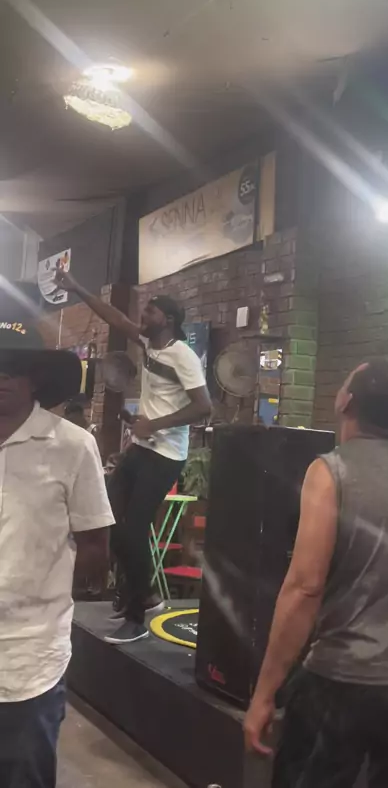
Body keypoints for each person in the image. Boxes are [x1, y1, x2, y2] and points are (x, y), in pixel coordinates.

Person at [244, 360, 388, 788]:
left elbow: (304, 587)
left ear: (345, 401)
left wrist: (264, 694)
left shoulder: (329, 471)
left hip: (342, 681)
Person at [55, 270, 212, 644]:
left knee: (134, 529)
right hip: (142, 449)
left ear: (168, 320)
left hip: (166, 455)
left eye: (151, 312)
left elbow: (204, 407)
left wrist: (153, 424)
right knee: (106, 520)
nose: (143, 316)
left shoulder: (183, 356)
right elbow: (113, 317)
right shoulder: (148, 343)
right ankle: (146, 595)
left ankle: (138, 616)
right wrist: (77, 286)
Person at [0, 302, 114, 788]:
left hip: (29, 657)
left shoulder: (71, 445)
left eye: (14, 368)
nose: (2, 377)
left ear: (36, 379)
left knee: (23, 772)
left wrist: (49, 595)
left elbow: (94, 543)